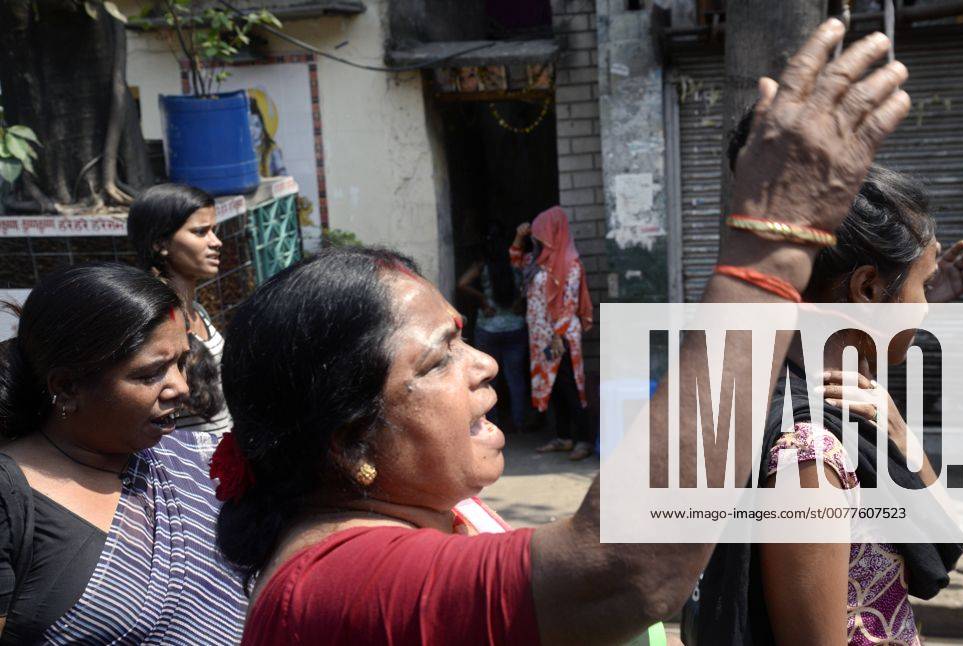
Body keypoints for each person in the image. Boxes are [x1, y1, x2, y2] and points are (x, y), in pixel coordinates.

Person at [214, 20, 913, 645]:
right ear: (349, 443)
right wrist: (772, 242)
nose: (484, 365)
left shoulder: (425, 521)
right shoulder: (338, 586)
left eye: (463, 339)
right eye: (437, 361)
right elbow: (626, 571)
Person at [695, 114, 963, 645]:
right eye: (924, 286)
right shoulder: (812, 459)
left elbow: (943, 539)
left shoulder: (843, 400)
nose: (927, 308)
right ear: (869, 289)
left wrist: (901, 434)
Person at [0, 263, 246, 643]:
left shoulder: (192, 462)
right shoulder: (11, 497)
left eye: (181, 362)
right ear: (67, 387)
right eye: (151, 374)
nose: (180, 387)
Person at [128, 183, 231, 462]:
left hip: (220, 466)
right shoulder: (153, 321)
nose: (216, 242)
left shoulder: (197, 311)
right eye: (200, 232)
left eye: (214, 230)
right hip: (187, 473)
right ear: (160, 244)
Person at [511, 206, 595, 460]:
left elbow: (568, 301)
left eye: (541, 233)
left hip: (561, 337)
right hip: (541, 337)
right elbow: (515, 262)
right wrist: (519, 237)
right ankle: (563, 437)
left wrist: (558, 335)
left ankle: (584, 439)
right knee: (554, 386)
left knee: (570, 386)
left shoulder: (570, 263)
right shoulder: (537, 261)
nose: (538, 238)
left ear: (553, 232)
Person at [457, 221, 530, 433]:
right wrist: (520, 301)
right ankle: (519, 422)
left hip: (488, 329)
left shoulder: (483, 265)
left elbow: (462, 283)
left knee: (489, 381)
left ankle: (492, 424)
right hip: (515, 327)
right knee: (516, 378)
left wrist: (483, 299)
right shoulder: (517, 263)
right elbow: (531, 283)